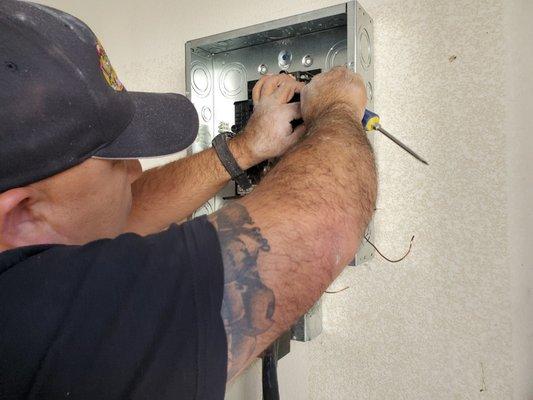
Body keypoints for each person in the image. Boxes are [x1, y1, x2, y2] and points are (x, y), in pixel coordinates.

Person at [0, 1, 377, 399]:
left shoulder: (23, 250)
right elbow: (323, 220)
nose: (135, 173)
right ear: (21, 214)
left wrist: (246, 148)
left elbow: (112, 216)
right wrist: (336, 108)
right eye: (112, 162)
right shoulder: (44, 336)